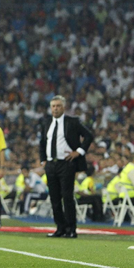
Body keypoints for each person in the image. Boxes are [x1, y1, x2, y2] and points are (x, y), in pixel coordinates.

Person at [40, 95, 93, 238]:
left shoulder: (72, 122)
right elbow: (42, 142)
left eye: (58, 106)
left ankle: (71, 229)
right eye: (53, 106)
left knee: (67, 196)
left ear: (63, 107)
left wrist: (79, 152)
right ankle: (60, 228)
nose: (55, 108)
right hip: (51, 164)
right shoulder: (46, 122)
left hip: (66, 163)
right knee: (54, 198)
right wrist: (43, 160)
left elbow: (88, 136)